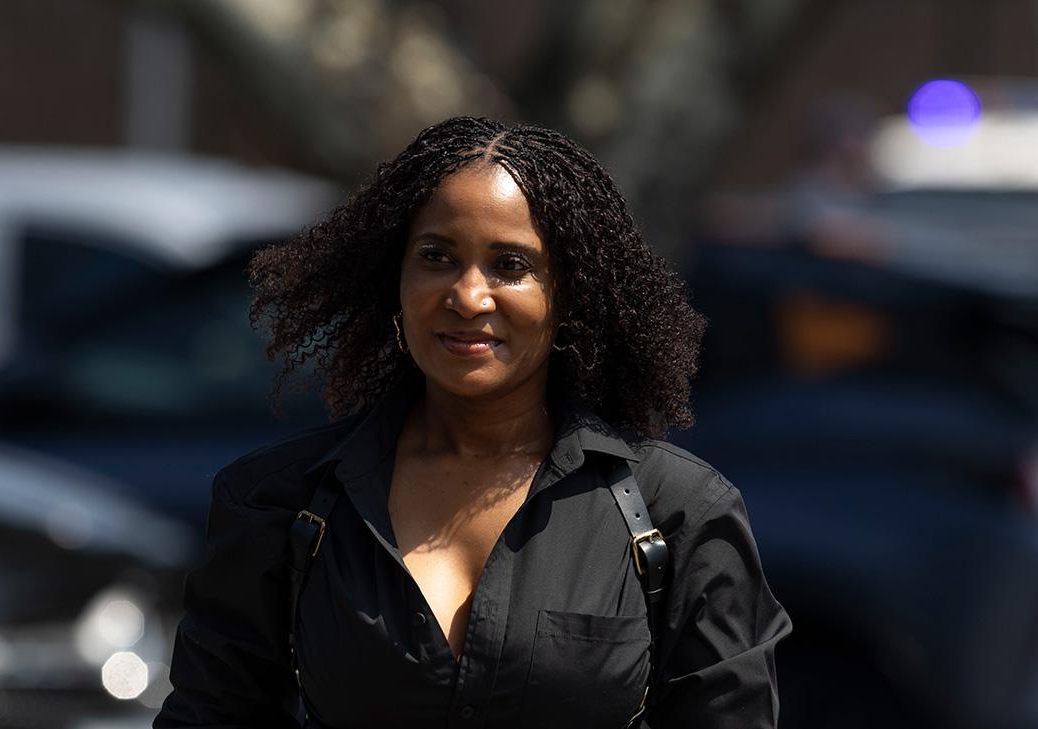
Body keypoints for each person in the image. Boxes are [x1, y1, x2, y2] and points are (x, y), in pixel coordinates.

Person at [154, 116, 792, 729]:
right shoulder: (281, 502)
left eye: (510, 265)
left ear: (568, 296)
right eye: (436, 257)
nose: (466, 296)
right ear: (394, 278)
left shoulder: (674, 512)